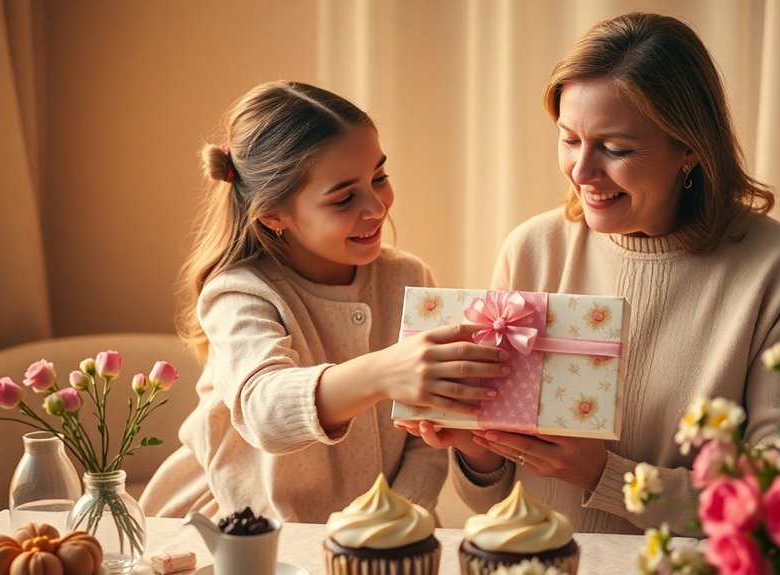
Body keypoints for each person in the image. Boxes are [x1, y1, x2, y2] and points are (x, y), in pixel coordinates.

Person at [399, 12, 780, 535]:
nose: (582, 172)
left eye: (615, 148)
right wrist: (475, 443)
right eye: (569, 139)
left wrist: (606, 476)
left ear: (689, 149)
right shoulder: (534, 248)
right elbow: (486, 499)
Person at [140, 81, 508, 522]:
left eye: (380, 178)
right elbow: (265, 412)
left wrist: (403, 511)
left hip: (365, 538)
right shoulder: (238, 292)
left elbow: (423, 438)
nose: (376, 207)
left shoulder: (408, 277)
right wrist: (384, 372)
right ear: (274, 214)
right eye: (344, 197)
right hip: (234, 527)